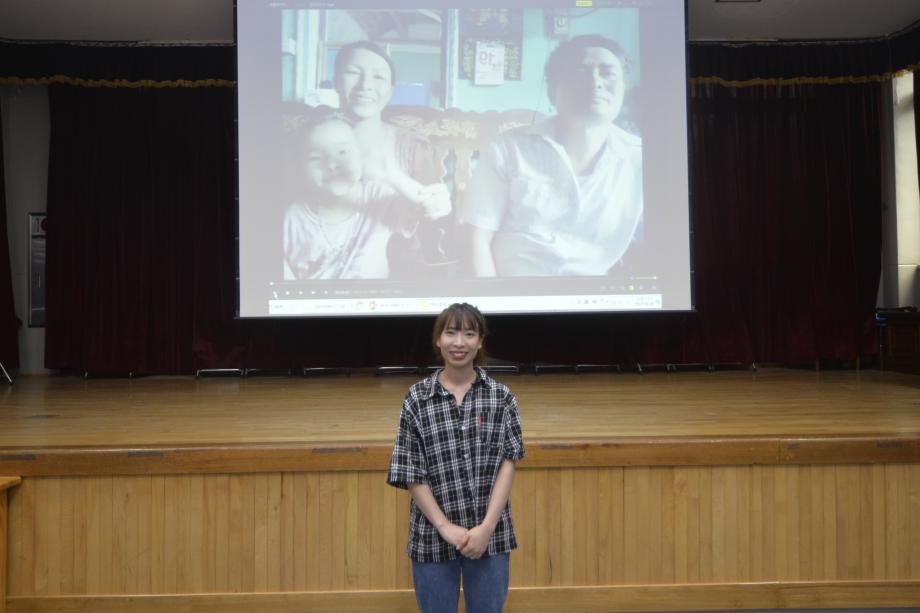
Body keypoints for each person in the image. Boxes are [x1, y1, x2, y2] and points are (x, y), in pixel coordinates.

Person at [458, 34, 643, 277]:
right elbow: (476, 239)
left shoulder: (640, 159)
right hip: (515, 290)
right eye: (579, 72)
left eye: (607, 73)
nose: (595, 82)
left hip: (594, 293)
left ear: (623, 90)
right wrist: (493, 298)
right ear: (552, 91)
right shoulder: (507, 148)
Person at [387, 303, 525, 613]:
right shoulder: (416, 399)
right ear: (438, 340)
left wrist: (486, 528)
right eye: (450, 333)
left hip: (490, 537)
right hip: (431, 536)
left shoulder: (501, 397)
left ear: (480, 341)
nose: (459, 342)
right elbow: (411, 470)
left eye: (469, 334)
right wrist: (444, 526)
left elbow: (508, 463)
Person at [283, 108, 450, 279]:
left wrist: (391, 175)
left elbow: (425, 206)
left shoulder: (377, 197)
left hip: (372, 295)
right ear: (300, 168)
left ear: (361, 156)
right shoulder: (291, 219)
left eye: (343, 152)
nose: (332, 164)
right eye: (315, 158)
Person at [333, 40, 446, 206]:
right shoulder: (310, 139)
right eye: (353, 72)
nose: (365, 85)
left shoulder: (412, 147)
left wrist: (437, 204)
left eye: (378, 77)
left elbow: (432, 205)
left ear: (390, 92)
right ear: (336, 82)